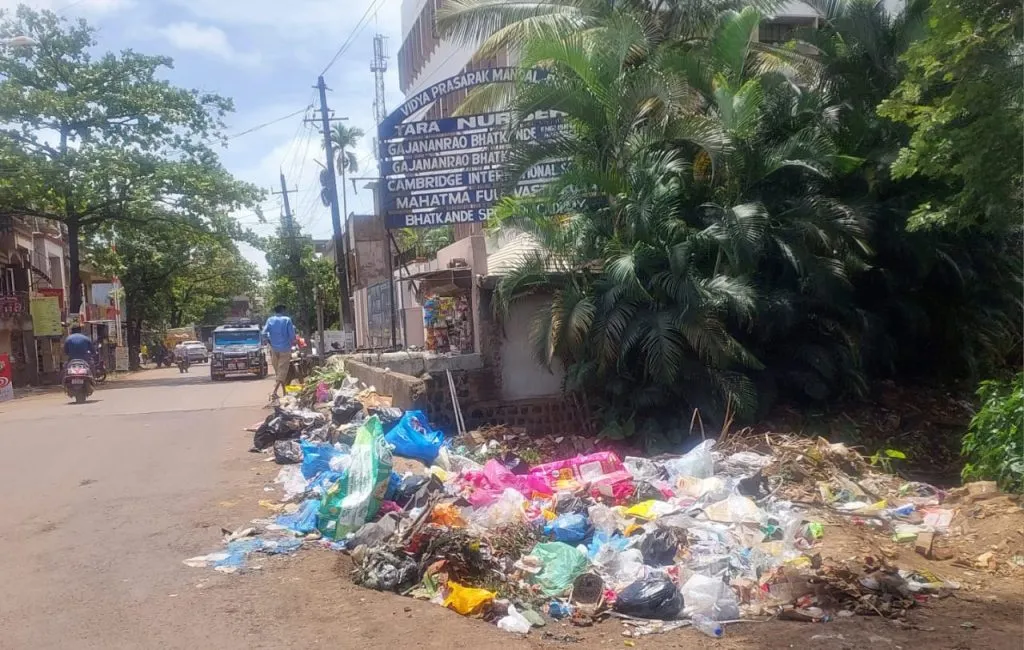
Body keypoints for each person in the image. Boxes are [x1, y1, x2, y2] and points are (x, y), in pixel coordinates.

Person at [262, 304, 296, 400]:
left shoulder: (270, 320)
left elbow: (263, 333)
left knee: (279, 372)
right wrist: (291, 342)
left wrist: (270, 341)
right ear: (282, 310)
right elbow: (292, 336)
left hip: (274, 349)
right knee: (282, 372)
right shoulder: (287, 320)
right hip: (285, 349)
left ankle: (285, 393)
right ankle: (274, 392)